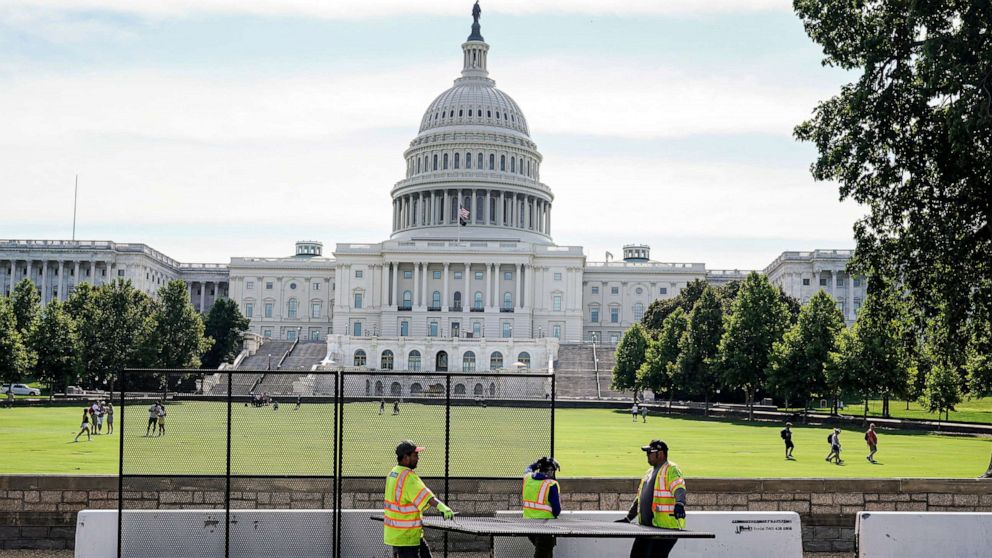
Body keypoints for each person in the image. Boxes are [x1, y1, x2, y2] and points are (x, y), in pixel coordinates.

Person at [383, 440, 455, 557]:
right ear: (405, 457)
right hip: (407, 536)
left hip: (397, 534)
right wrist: (442, 507)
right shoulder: (408, 477)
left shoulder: (393, 473)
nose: (418, 458)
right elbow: (426, 496)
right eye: (415, 455)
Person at [616, 440, 687, 558]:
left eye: (650, 452)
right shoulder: (648, 473)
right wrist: (628, 518)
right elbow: (640, 499)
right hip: (646, 529)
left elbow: (679, 487)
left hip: (665, 529)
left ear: (660, 454)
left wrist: (679, 503)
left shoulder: (671, 469)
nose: (647, 455)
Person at [522, 457, 561, 558]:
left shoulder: (528, 478)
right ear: (551, 471)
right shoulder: (551, 484)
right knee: (543, 553)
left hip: (528, 524)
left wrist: (537, 464)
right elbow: (556, 510)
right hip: (545, 526)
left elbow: (528, 468)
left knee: (545, 552)